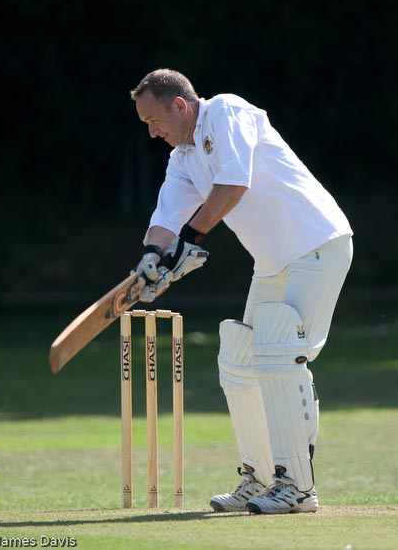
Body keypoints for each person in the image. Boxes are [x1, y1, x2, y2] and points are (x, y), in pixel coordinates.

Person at [131, 68, 353, 515]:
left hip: (316, 244)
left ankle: (297, 487)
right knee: (238, 364)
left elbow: (234, 182)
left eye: (154, 120)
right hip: (271, 263)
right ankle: (261, 478)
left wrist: (190, 240)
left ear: (180, 105)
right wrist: (153, 257)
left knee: (280, 359)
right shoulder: (183, 158)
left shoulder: (227, 112)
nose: (153, 133)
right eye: (146, 125)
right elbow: (166, 218)